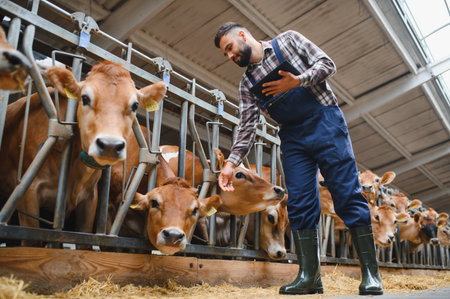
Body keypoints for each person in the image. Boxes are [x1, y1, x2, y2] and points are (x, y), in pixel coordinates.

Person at [214, 22, 383, 296]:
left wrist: (298, 80)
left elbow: (327, 64)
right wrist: (230, 164)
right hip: (293, 138)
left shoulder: (288, 42)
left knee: (346, 194)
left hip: (325, 122)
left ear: (242, 35)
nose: (231, 56)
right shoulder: (247, 84)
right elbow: (247, 126)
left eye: (230, 48)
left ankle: (371, 276)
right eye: (226, 54)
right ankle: (310, 277)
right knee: (300, 204)